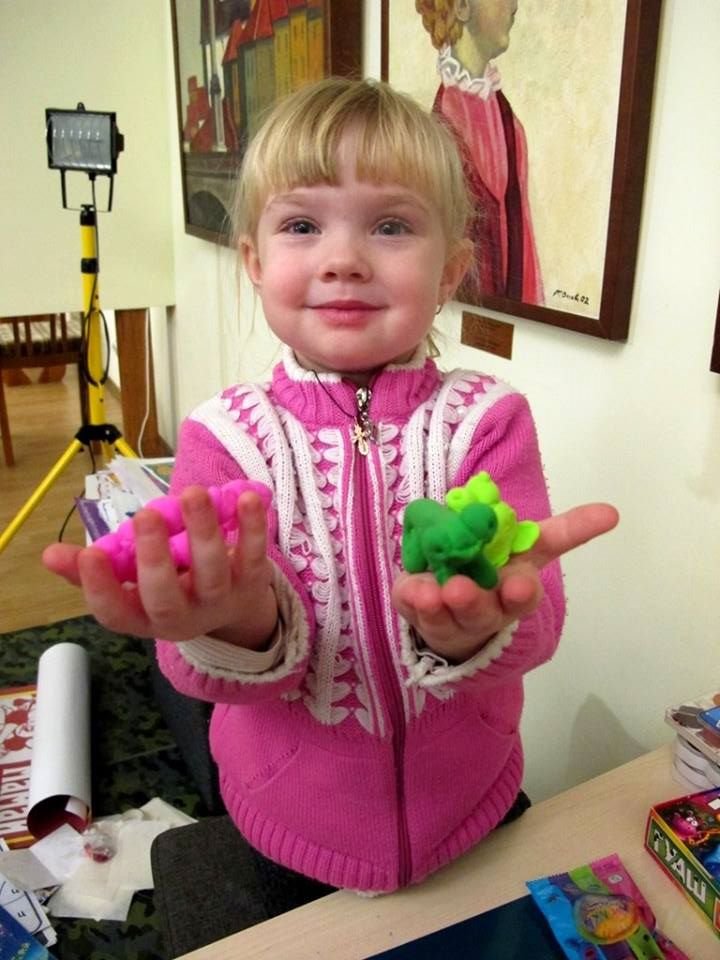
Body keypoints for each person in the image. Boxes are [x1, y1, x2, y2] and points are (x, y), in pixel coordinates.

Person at [44, 77, 617, 912]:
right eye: (303, 225)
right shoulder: (223, 437)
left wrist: (474, 629)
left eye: (391, 226)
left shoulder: (488, 420)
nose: (343, 258)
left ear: (451, 269)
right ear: (254, 261)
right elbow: (196, 667)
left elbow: (538, 612)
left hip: (474, 801)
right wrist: (233, 620)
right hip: (285, 815)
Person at [416, 0, 544, 304]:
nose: (514, 7)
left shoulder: (510, 124)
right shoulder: (441, 127)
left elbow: (523, 240)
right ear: (461, 7)